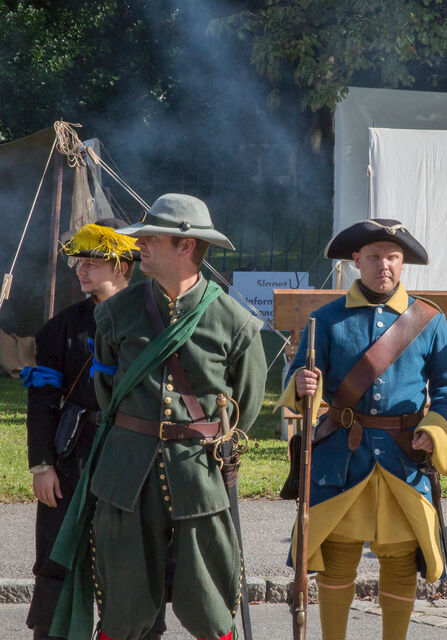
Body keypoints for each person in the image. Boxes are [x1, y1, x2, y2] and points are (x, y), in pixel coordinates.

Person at [50, 194, 267, 640]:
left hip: (199, 474)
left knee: (210, 603)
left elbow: (245, 405)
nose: (139, 245)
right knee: (123, 605)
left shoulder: (234, 322)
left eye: (150, 239)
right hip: (126, 472)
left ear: (185, 246)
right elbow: (107, 391)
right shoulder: (116, 313)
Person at [279, 218, 447, 640]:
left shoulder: (429, 320)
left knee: (400, 561)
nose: (384, 265)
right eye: (375, 256)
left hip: (403, 457)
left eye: (393, 257)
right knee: (338, 558)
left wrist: (435, 429)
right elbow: (298, 379)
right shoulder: (326, 319)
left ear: (402, 264)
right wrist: (302, 385)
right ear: (356, 260)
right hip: (342, 457)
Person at [22, 220, 138, 640]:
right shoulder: (60, 328)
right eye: (78, 262)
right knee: (57, 557)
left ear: (121, 267)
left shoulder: (150, 323)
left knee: (132, 563)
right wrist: (42, 466)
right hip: (72, 460)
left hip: (132, 458)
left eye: (92, 262)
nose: (80, 270)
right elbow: (42, 401)